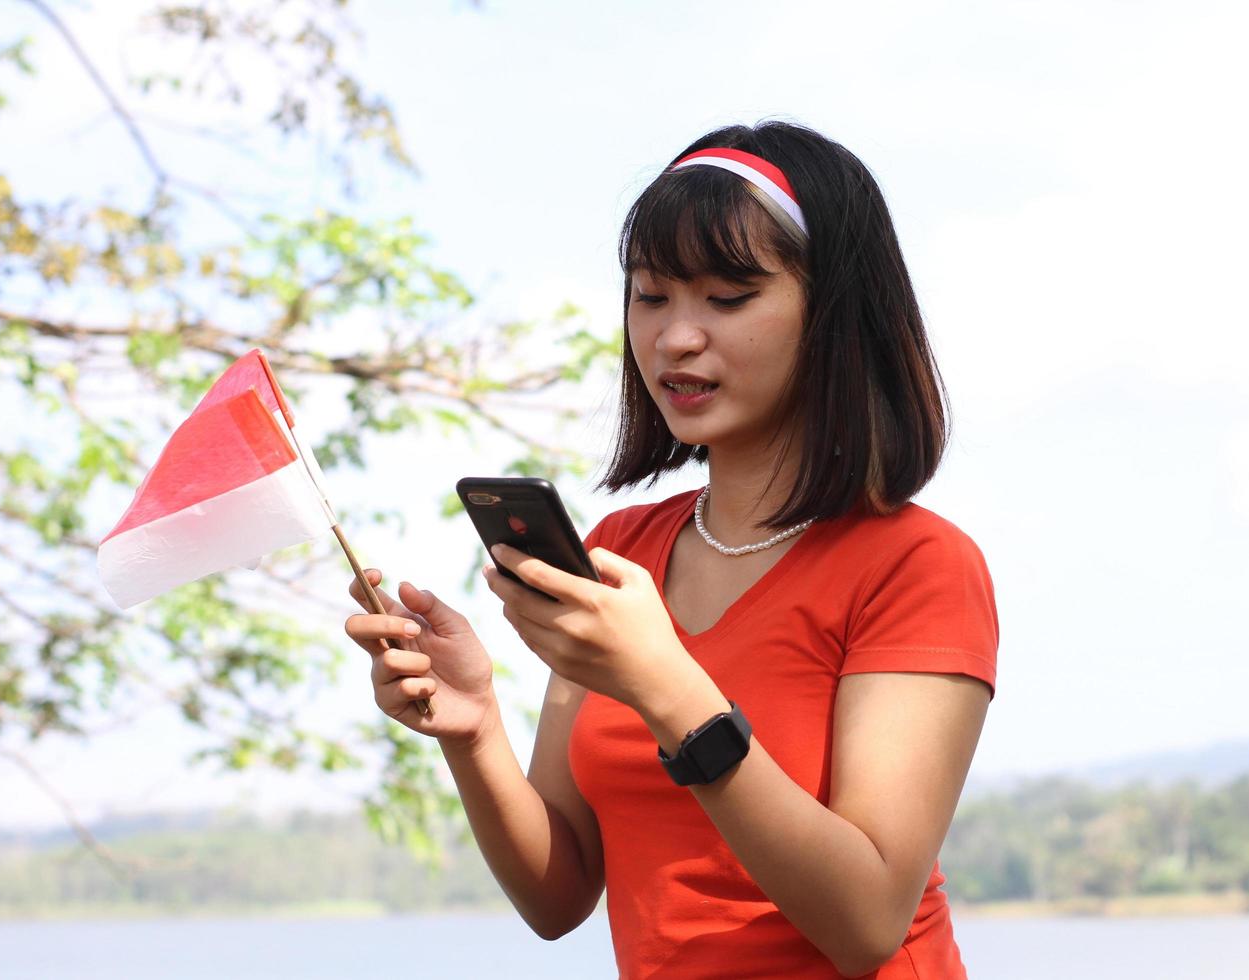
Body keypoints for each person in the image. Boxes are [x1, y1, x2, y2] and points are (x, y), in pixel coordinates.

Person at [344, 120, 999, 979]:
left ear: (835, 313)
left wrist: (667, 687)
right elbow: (559, 894)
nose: (675, 337)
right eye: (650, 296)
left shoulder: (917, 565)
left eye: (727, 299)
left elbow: (867, 920)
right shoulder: (621, 553)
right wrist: (473, 731)